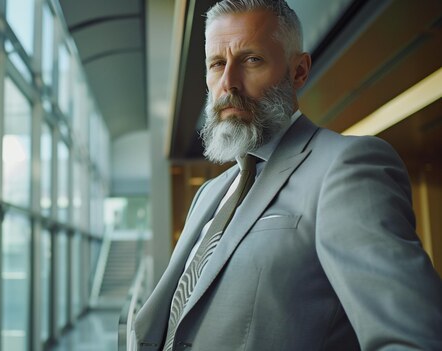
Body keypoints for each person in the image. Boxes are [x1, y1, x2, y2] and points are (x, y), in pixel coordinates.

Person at [133, 1, 442, 350]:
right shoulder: (209, 194)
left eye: (251, 60)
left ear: (298, 71)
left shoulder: (346, 166)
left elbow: (412, 340)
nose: (228, 83)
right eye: (217, 64)